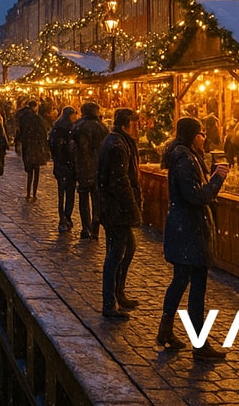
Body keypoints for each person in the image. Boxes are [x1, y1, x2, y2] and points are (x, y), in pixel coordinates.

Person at [156, 117, 228, 361]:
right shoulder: (185, 159)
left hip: (183, 228)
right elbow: (195, 196)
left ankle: (166, 331)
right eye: (200, 134)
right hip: (190, 229)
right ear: (191, 135)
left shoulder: (184, 155)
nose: (204, 138)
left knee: (181, 280)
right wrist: (218, 178)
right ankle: (199, 344)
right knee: (197, 286)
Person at [96, 108, 143, 321]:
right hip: (116, 209)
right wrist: (132, 206)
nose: (139, 129)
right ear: (125, 126)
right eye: (135, 124)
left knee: (127, 248)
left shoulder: (118, 141)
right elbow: (120, 181)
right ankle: (109, 302)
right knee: (115, 254)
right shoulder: (117, 146)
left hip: (114, 208)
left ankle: (118, 293)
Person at [70, 101, 108, 240]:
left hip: (83, 168)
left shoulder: (78, 126)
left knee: (83, 198)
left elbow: (75, 148)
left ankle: (85, 227)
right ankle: (95, 227)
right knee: (96, 199)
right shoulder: (102, 127)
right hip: (98, 168)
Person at [48, 106, 78, 232]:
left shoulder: (56, 128)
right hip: (69, 165)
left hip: (60, 165)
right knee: (70, 194)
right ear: (71, 115)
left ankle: (62, 218)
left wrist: (57, 159)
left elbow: (52, 145)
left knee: (61, 194)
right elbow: (71, 148)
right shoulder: (70, 129)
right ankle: (67, 217)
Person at [16, 100, 51, 201]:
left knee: (29, 172)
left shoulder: (23, 117)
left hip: (27, 146)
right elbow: (44, 132)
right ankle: (34, 193)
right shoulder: (37, 119)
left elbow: (20, 132)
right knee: (36, 171)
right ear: (35, 107)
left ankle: (28, 192)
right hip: (36, 147)